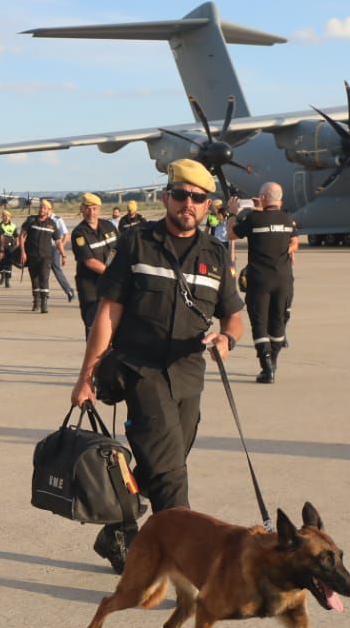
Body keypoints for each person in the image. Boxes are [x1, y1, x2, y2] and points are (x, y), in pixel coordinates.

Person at [70, 159, 244, 573]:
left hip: (187, 376)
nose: (188, 203)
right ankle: (187, 567)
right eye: (180, 195)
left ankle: (119, 529)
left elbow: (233, 314)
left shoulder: (216, 255)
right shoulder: (136, 243)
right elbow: (108, 311)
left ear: (207, 206)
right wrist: (85, 376)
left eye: (197, 198)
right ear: (166, 197)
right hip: (139, 370)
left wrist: (227, 340)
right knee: (171, 476)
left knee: (162, 464)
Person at [232, 182, 298, 384]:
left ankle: (266, 366)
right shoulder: (288, 220)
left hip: (259, 279)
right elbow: (294, 242)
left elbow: (232, 233)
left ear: (261, 199)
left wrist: (233, 213)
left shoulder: (254, 219)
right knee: (277, 320)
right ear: (281, 200)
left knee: (259, 322)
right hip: (284, 279)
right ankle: (275, 361)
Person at [69, 193, 118, 335]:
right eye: (88, 208)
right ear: (82, 209)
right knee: (93, 326)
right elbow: (89, 261)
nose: (91, 212)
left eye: (94, 208)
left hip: (110, 284)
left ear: (99, 209)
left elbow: (116, 249)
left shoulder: (109, 226)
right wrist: (112, 273)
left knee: (113, 324)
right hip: (90, 286)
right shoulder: (79, 233)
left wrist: (112, 268)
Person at [18, 198, 59, 313]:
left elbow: (58, 240)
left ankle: (44, 303)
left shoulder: (52, 224)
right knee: (34, 279)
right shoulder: (31, 220)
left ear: (49, 210)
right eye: (41, 207)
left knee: (44, 278)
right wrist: (22, 252)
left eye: (44, 208)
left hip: (46, 256)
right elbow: (21, 236)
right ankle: (36, 301)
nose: (42, 209)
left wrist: (63, 254)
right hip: (32, 256)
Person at [49, 204, 77, 302]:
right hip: (42, 249)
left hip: (53, 248)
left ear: (50, 208)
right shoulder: (40, 219)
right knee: (42, 271)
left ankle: (69, 290)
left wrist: (60, 248)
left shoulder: (57, 220)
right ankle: (42, 296)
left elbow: (66, 235)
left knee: (56, 269)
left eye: (45, 208)